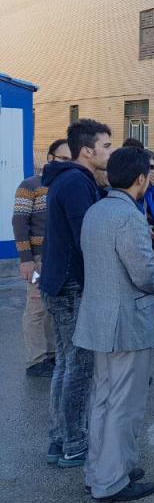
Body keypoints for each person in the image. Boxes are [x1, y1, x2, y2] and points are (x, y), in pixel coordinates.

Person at [73, 147, 154, 503]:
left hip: (99, 318)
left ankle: (102, 469)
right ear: (140, 179)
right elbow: (143, 274)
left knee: (103, 398)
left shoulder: (96, 209)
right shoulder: (129, 216)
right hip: (126, 322)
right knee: (124, 404)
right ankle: (111, 480)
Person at [40, 119, 113, 468]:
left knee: (67, 364)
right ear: (87, 150)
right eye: (106, 146)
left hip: (61, 283)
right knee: (78, 368)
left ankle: (59, 438)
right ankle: (73, 442)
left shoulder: (70, 179)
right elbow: (88, 238)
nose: (110, 153)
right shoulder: (75, 183)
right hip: (70, 287)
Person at [12, 138, 68, 377]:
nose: (66, 163)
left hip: (60, 259)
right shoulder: (30, 185)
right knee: (36, 307)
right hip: (38, 259)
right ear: (50, 158)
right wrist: (26, 259)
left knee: (53, 307)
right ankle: (35, 361)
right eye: (62, 158)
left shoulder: (67, 185)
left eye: (70, 159)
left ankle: (52, 355)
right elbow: (20, 222)